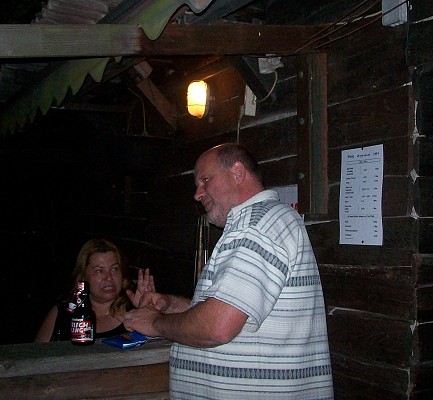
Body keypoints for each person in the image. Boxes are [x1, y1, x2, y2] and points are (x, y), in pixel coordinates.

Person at [124, 143, 334, 399]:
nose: (197, 194)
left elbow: (218, 326)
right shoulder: (257, 224)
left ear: (237, 172)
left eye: (205, 180)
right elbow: (236, 315)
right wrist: (171, 305)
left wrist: (155, 323)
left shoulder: (257, 225)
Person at [34, 238, 154, 342]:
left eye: (114, 269)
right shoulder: (64, 311)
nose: (109, 277)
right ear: (83, 276)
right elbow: (37, 355)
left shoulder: (135, 310)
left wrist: (148, 310)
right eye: (99, 271)